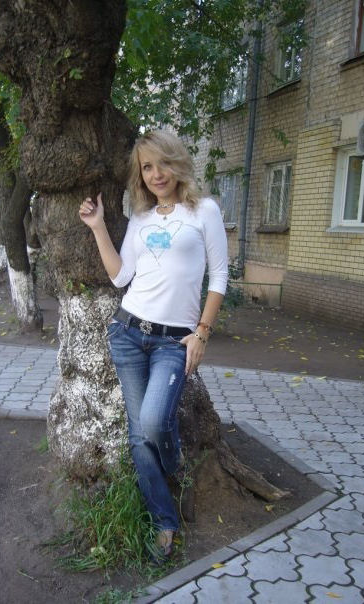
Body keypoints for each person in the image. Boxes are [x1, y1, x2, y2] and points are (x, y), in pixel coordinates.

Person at [78, 129, 228, 563]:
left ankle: (174, 465)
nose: (156, 174)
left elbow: (220, 276)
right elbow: (120, 277)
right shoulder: (141, 219)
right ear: (139, 175)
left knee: (152, 422)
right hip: (128, 332)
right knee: (138, 434)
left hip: (173, 342)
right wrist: (98, 226)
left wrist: (202, 332)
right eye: (147, 167)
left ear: (177, 162)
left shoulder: (204, 211)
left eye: (162, 163)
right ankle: (165, 521)